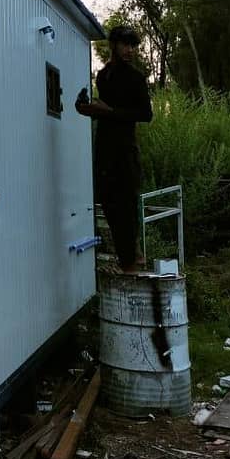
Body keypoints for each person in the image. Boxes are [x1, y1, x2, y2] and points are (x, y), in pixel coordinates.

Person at [75, 25, 153, 273]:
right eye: (125, 45)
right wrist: (88, 110)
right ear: (114, 45)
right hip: (105, 147)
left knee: (127, 204)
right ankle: (127, 257)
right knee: (107, 201)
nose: (129, 50)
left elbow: (145, 114)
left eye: (133, 46)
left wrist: (110, 112)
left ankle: (132, 262)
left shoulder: (135, 77)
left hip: (125, 150)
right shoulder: (104, 75)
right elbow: (104, 112)